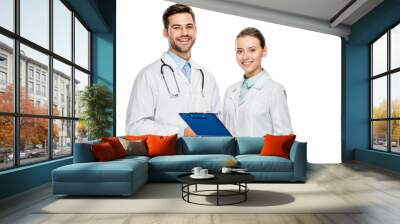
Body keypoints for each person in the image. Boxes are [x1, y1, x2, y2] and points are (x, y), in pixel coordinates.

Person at [126, 4, 221, 137]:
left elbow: (218, 121)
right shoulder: (149, 75)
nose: (184, 33)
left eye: (189, 26)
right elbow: (135, 126)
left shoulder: (207, 77)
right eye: (177, 27)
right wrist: (181, 132)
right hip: (168, 155)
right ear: (165, 32)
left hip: (205, 153)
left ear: (195, 30)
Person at [222, 27, 293, 137]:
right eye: (240, 51)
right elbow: (223, 133)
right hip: (229, 154)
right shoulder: (230, 91)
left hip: (258, 154)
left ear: (264, 51)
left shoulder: (275, 90)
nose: (245, 57)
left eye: (252, 50)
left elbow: (284, 137)